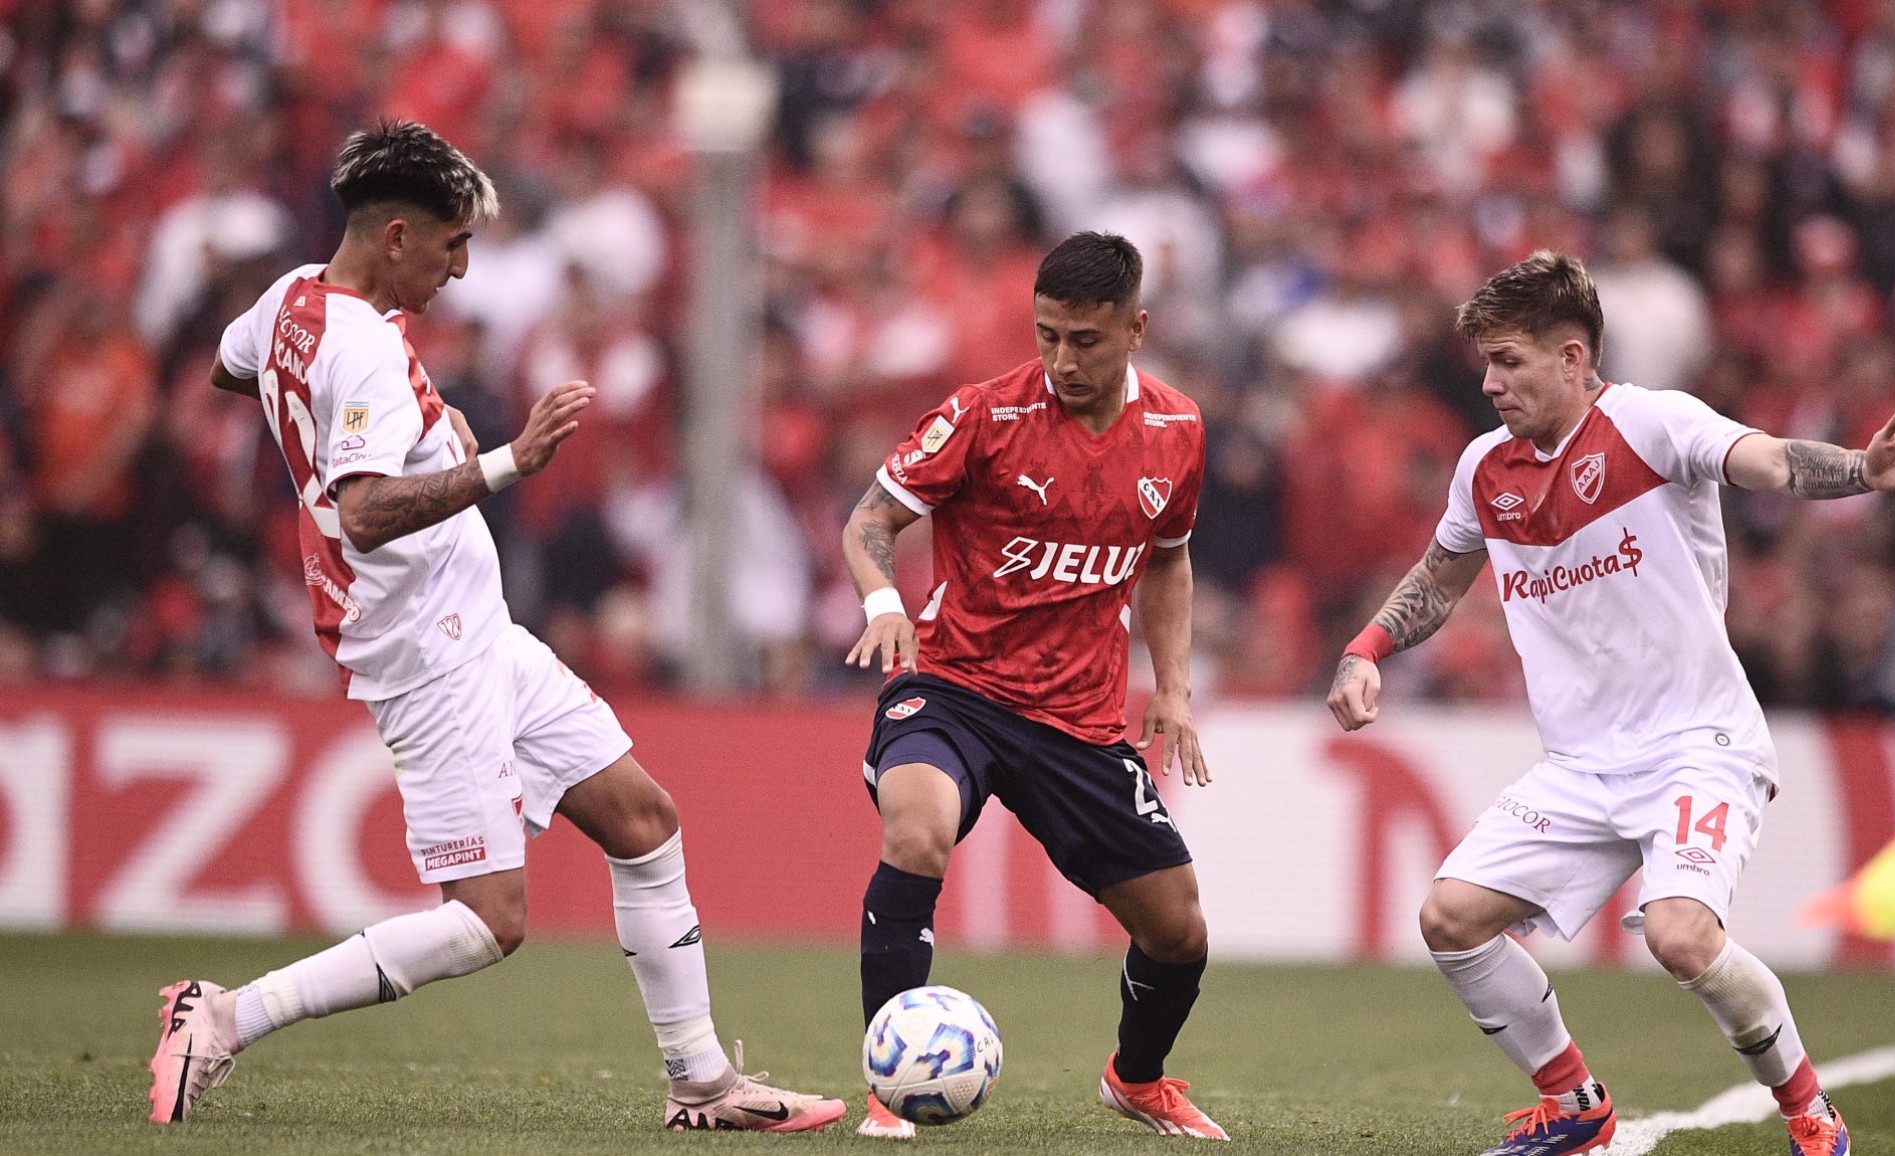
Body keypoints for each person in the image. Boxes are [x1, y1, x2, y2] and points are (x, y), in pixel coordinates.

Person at [147, 121, 845, 1134]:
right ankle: (224, 1014)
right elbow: (365, 512)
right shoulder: (361, 348)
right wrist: (507, 460)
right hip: (425, 649)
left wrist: (407, 435)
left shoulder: (292, 298)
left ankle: (701, 1084)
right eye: (449, 244)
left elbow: (230, 367)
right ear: (394, 237)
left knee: (644, 820)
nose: (461, 268)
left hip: (476, 629)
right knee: (488, 923)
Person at [1326, 251, 1895, 1156]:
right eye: (1487, 361)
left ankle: (1811, 1113)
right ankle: (1575, 1105)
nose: (1489, 379)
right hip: (1582, 763)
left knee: (1680, 936)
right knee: (1451, 918)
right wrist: (1366, 649)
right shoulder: (1482, 468)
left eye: (1509, 360)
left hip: (1697, 744)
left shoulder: (1654, 424)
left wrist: (1861, 469)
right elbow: (1439, 577)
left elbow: (1769, 460)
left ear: (1574, 358)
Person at [842, 232, 1225, 1141]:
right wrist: (885, 600)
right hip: (954, 686)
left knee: (1179, 931)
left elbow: (1168, 564)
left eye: (1085, 341)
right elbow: (867, 521)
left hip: (1079, 723)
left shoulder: (1177, 431)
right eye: (1047, 334)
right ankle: (888, 1083)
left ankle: (1136, 1079)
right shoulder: (985, 415)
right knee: (917, 828)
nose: (1061, 359)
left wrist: (1171, 686)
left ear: (1137, 328)